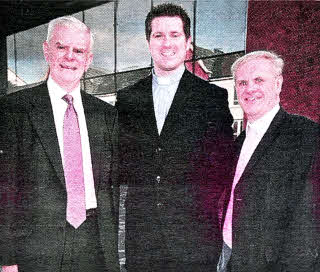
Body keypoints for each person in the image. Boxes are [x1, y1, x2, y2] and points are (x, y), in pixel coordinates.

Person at [116, 3, 233, 272]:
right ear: (148, 42)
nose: (166, 43)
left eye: (174, 34)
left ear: (188, 41)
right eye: (158, 35)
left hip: (194, 242)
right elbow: (122, 163)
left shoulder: (212, 98)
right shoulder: (128, 99)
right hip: (142, 242)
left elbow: (222, 167)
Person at [0, 16, 119, 272]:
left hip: (93, 244)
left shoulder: (105, 114)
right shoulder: (15, 109)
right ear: (46, 50)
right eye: (61, 47)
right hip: (37, 247)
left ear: (88, 60)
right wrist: (7, 259)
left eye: (79, 51)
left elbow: (110, 188)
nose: (70, 56)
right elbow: (5, 189)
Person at [218, 50, 320, 272]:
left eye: (259, 80)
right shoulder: (240, 141)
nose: (250, 89)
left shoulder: (306, 136)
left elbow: (309, 223)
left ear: (278, 84)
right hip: (229, 257)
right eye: (242, 82)